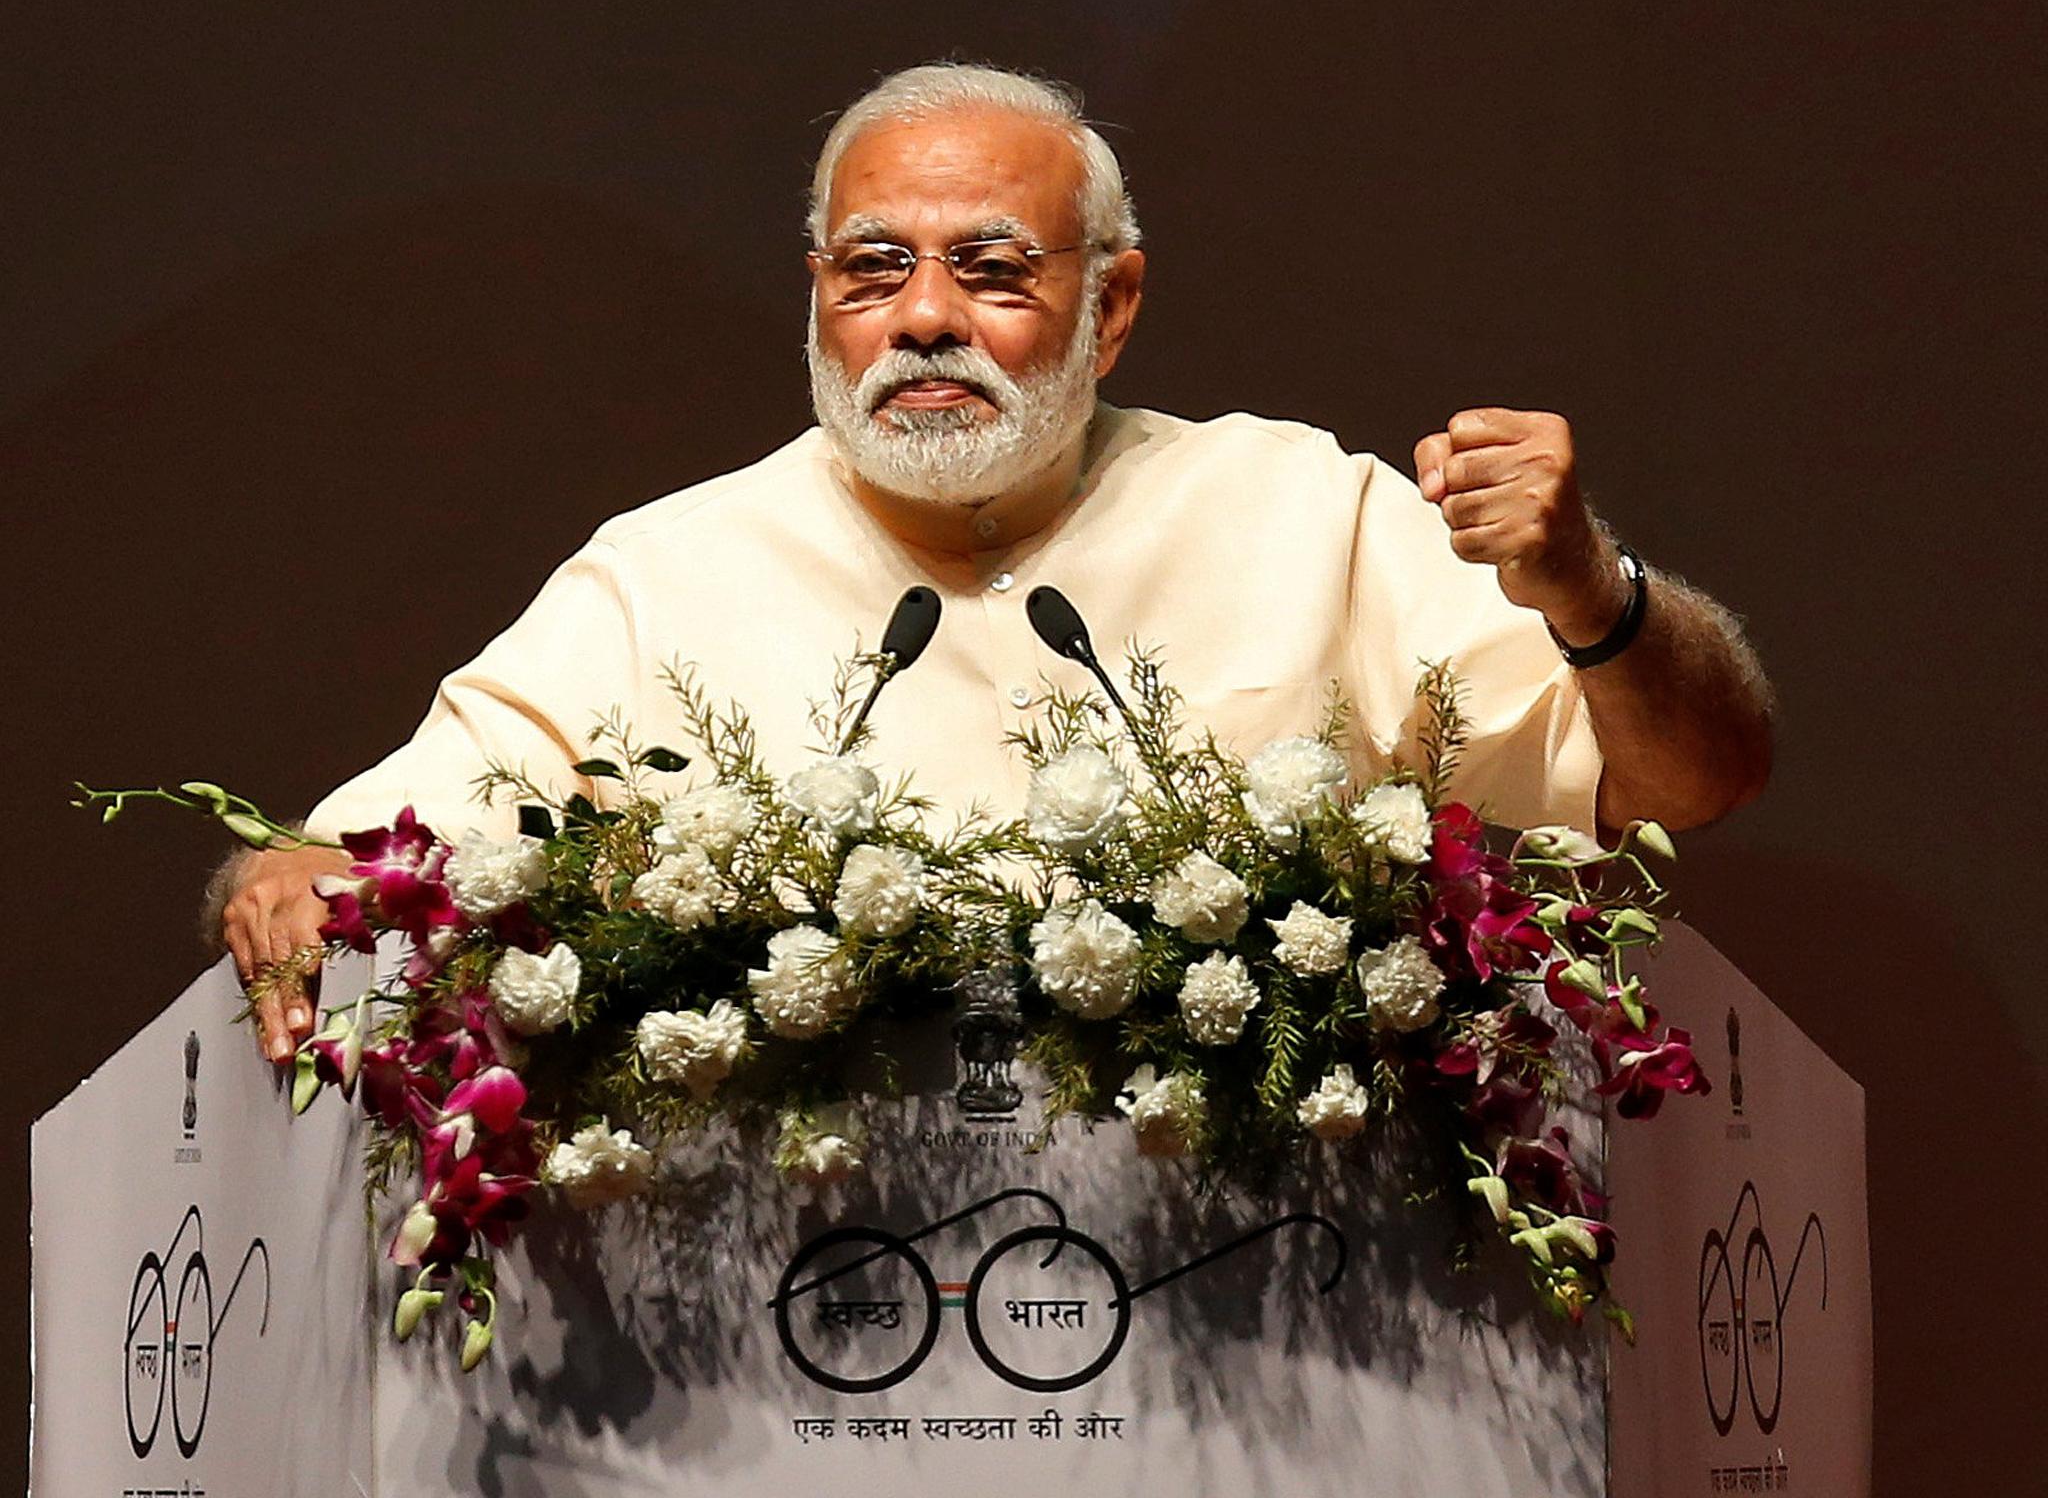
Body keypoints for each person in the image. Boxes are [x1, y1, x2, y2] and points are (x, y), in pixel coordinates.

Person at [221, 62, 1772, 1065]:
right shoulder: (664, 575)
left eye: (992, 269)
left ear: (1111, 308)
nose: (925, 320)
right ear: (819, 295)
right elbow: (361, 860)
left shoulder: (1308, 512)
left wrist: (1590, 592)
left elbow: (1695, 778)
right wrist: (284, 874)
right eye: (874, 269)